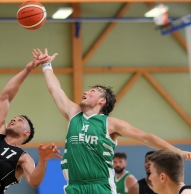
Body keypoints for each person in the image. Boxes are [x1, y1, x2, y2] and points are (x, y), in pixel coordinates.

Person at [33, 48, 191, 194]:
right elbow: (55, 89)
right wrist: (46, 65)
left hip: (101, 186)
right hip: (73, 185)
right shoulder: (73, 114)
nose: (85, 92)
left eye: (92, 91)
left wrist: (177, 151)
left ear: (102, 101)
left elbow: (146, 137)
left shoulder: (111, 124)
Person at [0, 52, 62, 194]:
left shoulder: (23, 157)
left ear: (26, 133)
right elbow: (4, 97)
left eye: (20, 120)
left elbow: (33, 181)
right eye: (14, 118)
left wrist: (43, 160)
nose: (14, 119)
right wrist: (27, 69)